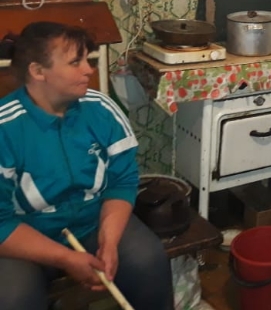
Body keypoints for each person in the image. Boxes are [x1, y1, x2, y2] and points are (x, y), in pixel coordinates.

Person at [0, 22, 173, 309]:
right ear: (38, 71)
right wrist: (65, 258)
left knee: (148, 261)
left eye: (87, 59)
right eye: (75, 62)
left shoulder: (101, 109)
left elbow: (122, 181)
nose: (89, 70)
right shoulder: (5, 127)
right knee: (13, 298)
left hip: (92, 221)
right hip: (25, 236)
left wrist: (109, 243)